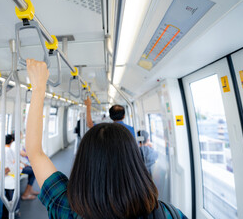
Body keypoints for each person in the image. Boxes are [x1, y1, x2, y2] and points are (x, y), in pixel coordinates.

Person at [25, 59, 187, 219]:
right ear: (134, 161)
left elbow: (35, 153)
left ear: (84, 164)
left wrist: (39, 88)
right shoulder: (166, 214)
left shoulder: (67, 208)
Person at [5, 134, 39, 200]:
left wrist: (23, 164)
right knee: (34, 171)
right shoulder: (9, 149)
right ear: (12, 140)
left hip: (15, 166)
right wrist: (22, 165)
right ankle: (26, 194)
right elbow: (14, 162)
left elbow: (15, 160)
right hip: (13, 169)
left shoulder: (8, 149)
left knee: (33, 169)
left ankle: (30, 189)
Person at [3, 135, 21, 218]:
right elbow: (12, 163)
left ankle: (12, 209)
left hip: (6, 171)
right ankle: (15, 209)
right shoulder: (8, 150)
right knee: (12, 185)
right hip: (8, 171)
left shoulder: (3, 150)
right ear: (11, 141)